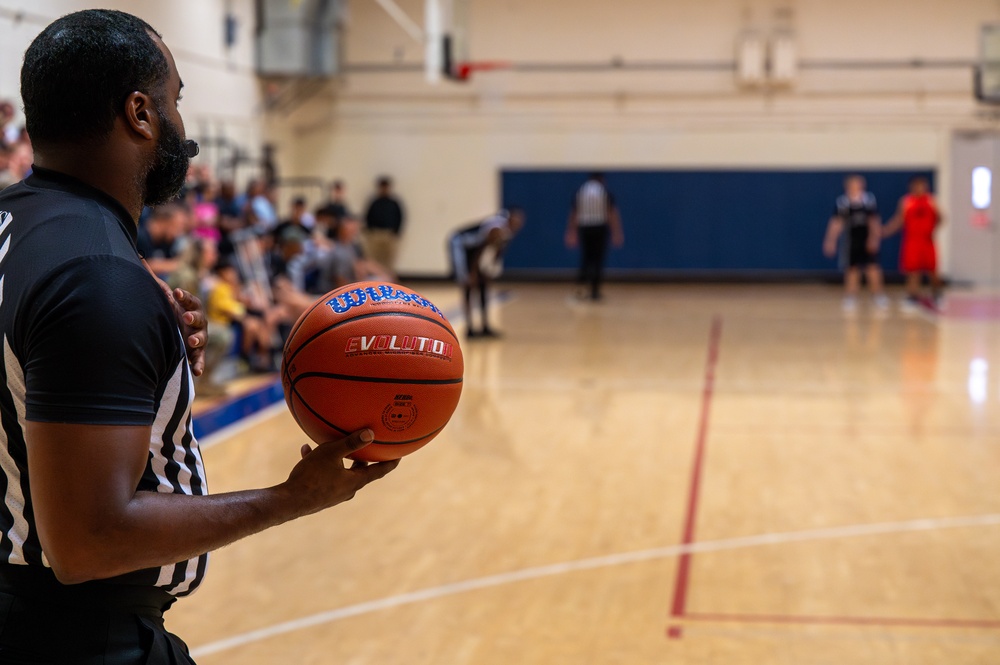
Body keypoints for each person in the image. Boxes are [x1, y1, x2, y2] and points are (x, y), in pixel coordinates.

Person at [0, 10, 397, 663]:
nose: (182, 126)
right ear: (138, 112)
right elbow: (88, 541)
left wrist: (149, 357)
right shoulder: (97, 274)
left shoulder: (26, 231)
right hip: (80, 636)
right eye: (175, 100)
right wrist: (291, 498)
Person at [448, 208, 525, 339]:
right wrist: (472, 272)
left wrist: (490, 270)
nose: (519, 223)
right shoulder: (497, 228)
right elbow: (479, 249)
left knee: (483, 284)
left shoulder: (508, 232)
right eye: (517, 219)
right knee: (468, 285)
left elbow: (498, 251)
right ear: (510, 218)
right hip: (461, 245)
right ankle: (470, 328)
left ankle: (485, 326)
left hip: (475, 252)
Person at [823, 174, 889, 312]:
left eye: (858, 184)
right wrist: (831, 240)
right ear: (847, 186)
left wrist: (874, 238)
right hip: (851, 239)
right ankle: (851, 296)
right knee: (852, 268)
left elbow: (874, 221)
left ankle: (878, 295)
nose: (855, 187)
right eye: (852, 185)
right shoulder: (843, 202)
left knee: (873, 267)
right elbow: (836, 222)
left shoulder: (868, 200)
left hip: (866, 237)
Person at [881, 176, 944, 311]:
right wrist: (886, 230)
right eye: (917, 186)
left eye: (922, 186)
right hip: (912, 240)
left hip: (927, 240)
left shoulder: (932, 201)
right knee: (912, 270)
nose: (919, 188)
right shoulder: (906, 201)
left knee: (933, 270)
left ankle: (937, 294)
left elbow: (940, 218)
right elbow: (899, 219)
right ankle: (912, 296)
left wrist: (932, 229)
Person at [565, 173, 624, 301]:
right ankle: (594, 291)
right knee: (598, 259)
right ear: (601, 179)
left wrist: (571, 232)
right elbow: (612, 213)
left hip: (584, 228)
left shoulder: (580, 191)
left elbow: (574, 213)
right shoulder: (604, 192)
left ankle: (580, 289)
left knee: (586, 258)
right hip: (600, 227)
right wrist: (616, 232)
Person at [364, 176, 405, 275]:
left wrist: (396, 231)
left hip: (389, 234)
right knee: (374, 259)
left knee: (389, 260)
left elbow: (400, 217)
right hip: (376, 234)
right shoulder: (374, 202)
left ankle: (388, 280)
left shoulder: (394, 203)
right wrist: (370, 231)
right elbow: (368, 216)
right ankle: (374, 279)